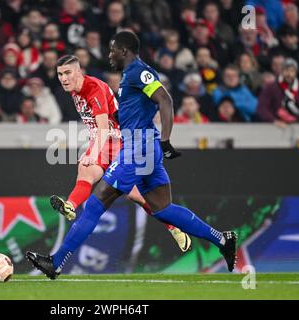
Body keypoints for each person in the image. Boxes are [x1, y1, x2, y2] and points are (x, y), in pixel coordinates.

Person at [27, 31, 237, 279]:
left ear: (124, 51)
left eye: (113, 49)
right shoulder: (128, 76)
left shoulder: (138, 72)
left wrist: (166, 137)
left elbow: (165, 99)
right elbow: (126, 114)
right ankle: (222, 239)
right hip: (143, 146)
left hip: (138, 148)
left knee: (94, 205)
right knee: (163, 208)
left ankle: (57, 262)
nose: (109, 54)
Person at [48, 54, 191, 253]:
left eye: (67, 73)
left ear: (78, 71)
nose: (63, 78)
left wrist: (92, 152)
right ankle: (70, 206)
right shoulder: (75, 90)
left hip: (121, 141)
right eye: (60, 74)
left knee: (137, 196)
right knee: (85, 170)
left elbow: (104, 128)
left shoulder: (94, 89)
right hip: (104, 140)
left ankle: (174, 227)